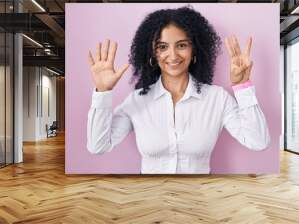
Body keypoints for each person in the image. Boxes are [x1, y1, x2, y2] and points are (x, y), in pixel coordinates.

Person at [86, 6, 270, 174]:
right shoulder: (136, 101)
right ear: (152, 53)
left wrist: (242, 86)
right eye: (162, 47)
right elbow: (98, 146)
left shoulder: (218, 99)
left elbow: (259, 142)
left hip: (199, 200)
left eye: (181, 45)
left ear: (194, 50)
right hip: (148, 201)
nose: (172, 55)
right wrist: (102, 92)